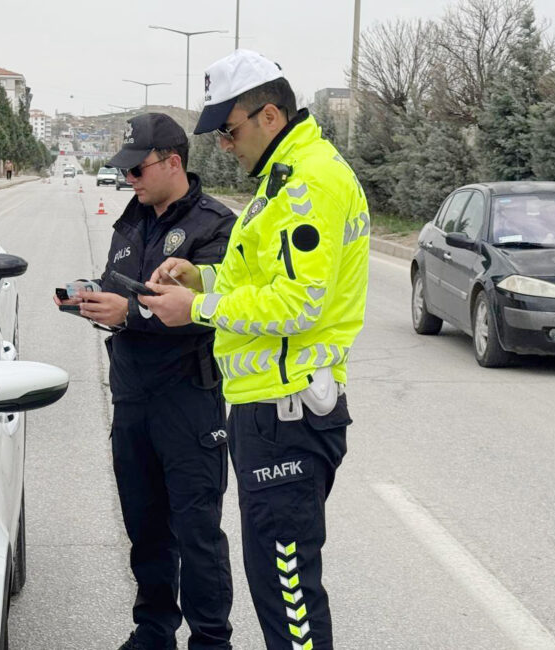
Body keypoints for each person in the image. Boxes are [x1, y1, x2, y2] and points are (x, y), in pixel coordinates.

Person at [140, 50, 370, 650]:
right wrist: (202, 279)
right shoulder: (284, 178)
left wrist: (199, 309)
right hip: (269, 408)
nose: (224, 145)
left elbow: (298, 304)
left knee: (288, 593)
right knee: (276, 584)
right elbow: (263, 282)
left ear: (270, 116)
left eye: (230, 130)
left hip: (287, 412)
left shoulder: (308, 184)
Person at [55, 112, 237, 650]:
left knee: (197, 531)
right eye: (126, 171)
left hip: (188, 399)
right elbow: (123, 286)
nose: (129, 179)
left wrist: (129, 313)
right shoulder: (131, 219)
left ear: (173, 162)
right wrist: (92, 298)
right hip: (132, 396)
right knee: (144, 526)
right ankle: (154, 631)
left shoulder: (215, 226)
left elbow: (205, 311)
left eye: (138, 170)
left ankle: (211, 640)